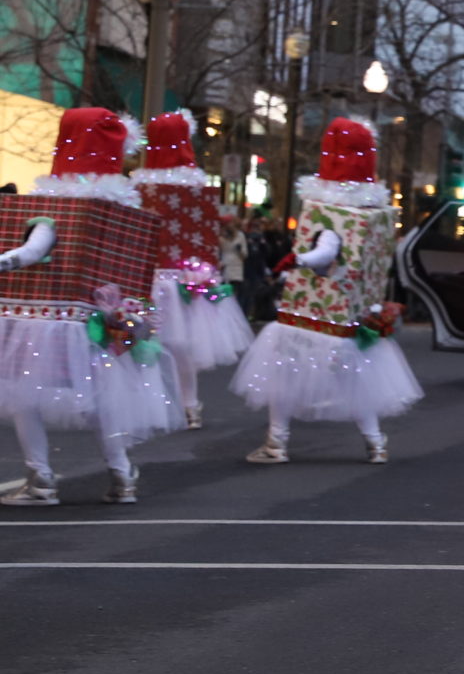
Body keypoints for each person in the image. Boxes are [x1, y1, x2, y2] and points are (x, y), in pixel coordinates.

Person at [0, 109, 181, 504]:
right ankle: (121, 473)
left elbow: (32, 251)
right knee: (102, 399)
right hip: (105, 325)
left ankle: (40, 476)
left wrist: (5, 260)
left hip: (48, 322)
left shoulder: (58, 208)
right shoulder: (120, 211)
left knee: (20, 395)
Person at [232, 118, 422, 465]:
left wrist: (297, 259)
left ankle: (277, 443)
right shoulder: (373, 213)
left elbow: (327, 250)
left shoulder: (332, 215)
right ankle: (375, 442)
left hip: (311, 318)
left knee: (282, 377)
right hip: (352, 316)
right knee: (356, 383)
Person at [133, 111, 254, 430]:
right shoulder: (198, 186)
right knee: (185, 349)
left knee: (144, 345)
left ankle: (150, 404)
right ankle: (190, 406)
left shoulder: (141, 187)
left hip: (150, 279)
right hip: (190, 280)